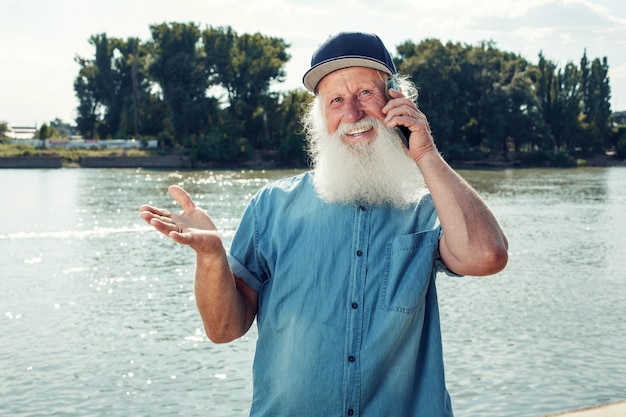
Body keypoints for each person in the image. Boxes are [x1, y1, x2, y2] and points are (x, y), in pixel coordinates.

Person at [140, 31, 508, 417]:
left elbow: (487, 256)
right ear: (320, 115)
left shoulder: (428, 209)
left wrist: (426, 152)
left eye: (365, 94)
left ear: (397, 98)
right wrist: (212, 256)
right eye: (335, 100)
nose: (351, 114)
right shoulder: (271, 207)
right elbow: (223, 329)